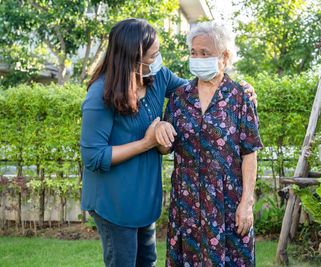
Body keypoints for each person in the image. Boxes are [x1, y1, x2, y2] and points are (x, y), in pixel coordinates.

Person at [79, 18, 257, 267]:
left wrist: (239, 89)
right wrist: (147, 142)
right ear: (131, 59)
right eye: (152, 56)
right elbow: (93, 157)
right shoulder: (101, 94)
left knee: (147, 261)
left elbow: (198, 93)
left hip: (144, 199)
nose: (158, 60)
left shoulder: (157, 77)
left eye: (157, 52)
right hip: (114, 200)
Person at [155, 21, 263, 266]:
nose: (197, 58)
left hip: (228, 201)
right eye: (194, 53)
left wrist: (247, 202)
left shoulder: (239, 97)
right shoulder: (179, 98)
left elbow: (250, 153)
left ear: (224, 56)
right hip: (187, 202)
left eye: (205, 53)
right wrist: (158, 131)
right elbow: (165, 148)